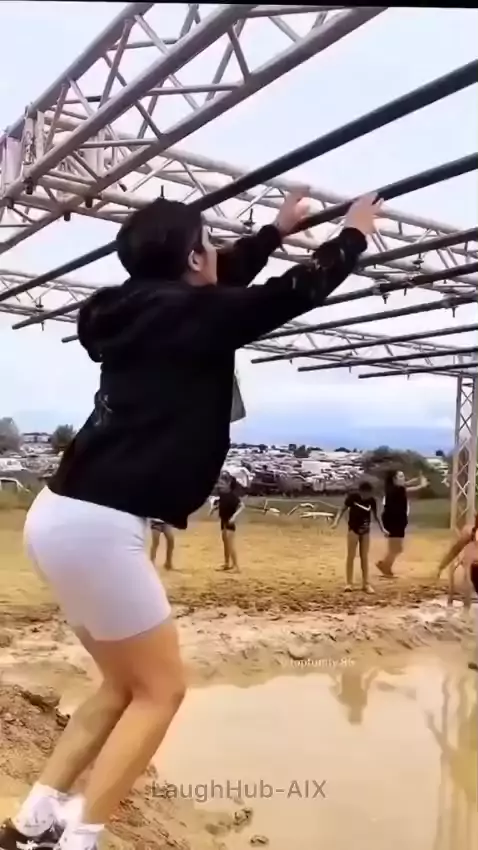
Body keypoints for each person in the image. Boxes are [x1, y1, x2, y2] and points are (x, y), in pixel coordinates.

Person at [0, 189, 381, 850]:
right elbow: (289, 294)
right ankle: (80, 840)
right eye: (208, 245)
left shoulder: (125, 313)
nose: (216, 256)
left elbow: (214, 282)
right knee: (162, 692)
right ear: (195, 259)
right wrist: (352, 236)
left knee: (122, 686)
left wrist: (273, 233)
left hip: (59, 515)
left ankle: (33, 821)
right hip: (99, 526)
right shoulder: (193, 317)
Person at [436, 513, 478, 671]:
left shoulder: (471, 531)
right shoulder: (470, 531)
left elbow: (455, 550)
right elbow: (455, 550)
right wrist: (441, 566)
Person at [332, 481, 383, 592]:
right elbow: (342, 509)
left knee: (364, 557)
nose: (366, 496)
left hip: (365, 530)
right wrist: (336, 522)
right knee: (351, 556)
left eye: (368, 494)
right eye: (365, 494)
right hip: (353, 529)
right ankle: (349, 583)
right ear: (361, 492)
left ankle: (366, 583)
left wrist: (382, 529)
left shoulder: (371, 501)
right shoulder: (353, 498)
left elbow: (376, 516)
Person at [376, 469, 428, 578]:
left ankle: (385, 565)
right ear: (394, 479)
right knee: (396, 548)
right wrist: (422, 482)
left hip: (394, 520)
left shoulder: (393, 488)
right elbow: (414, 487)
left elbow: (406, 484)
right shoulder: (398, 490)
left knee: (395, 548)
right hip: (394, 521)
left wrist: (415, 479)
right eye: (400, 476)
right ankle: (385, 565)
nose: (403, 478)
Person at [210, 475, 244, 571]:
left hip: (230, 522)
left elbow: (242, 506)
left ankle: (236, 566)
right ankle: (226, 563)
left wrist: (234, 516)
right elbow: (221, 504)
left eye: (222, 483)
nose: (219, 485)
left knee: (230, 544)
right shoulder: (222, 495)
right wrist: (214, 508)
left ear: (228, 484)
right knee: (226, 543)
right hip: (223, 521)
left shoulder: (232, 496)